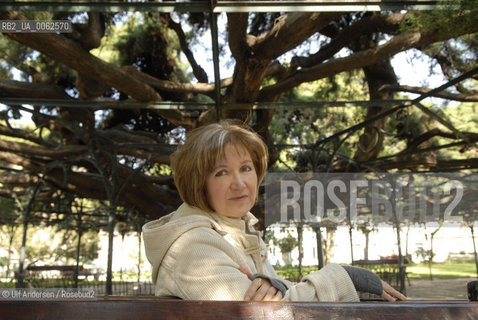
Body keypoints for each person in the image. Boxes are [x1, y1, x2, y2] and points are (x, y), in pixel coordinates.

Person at [143, 120, 406, 302]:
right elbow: (263, 313)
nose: (239, 182)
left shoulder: (239, 231)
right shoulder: (194, 244)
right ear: (198, 183)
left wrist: (276, 285)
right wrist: (344, 276)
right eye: (221, 172)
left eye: (246, 168)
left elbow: (275, 298)